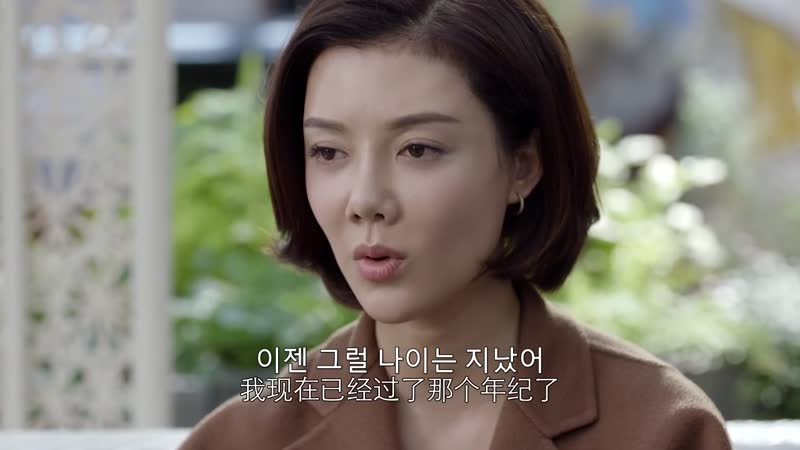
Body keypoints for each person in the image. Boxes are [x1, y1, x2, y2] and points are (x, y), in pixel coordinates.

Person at [177, 1, 733, 449]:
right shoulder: (245, 438)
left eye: (418, 149)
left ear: (524, 165)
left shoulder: (659, 429)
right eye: (328, 151)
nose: (365, 201)